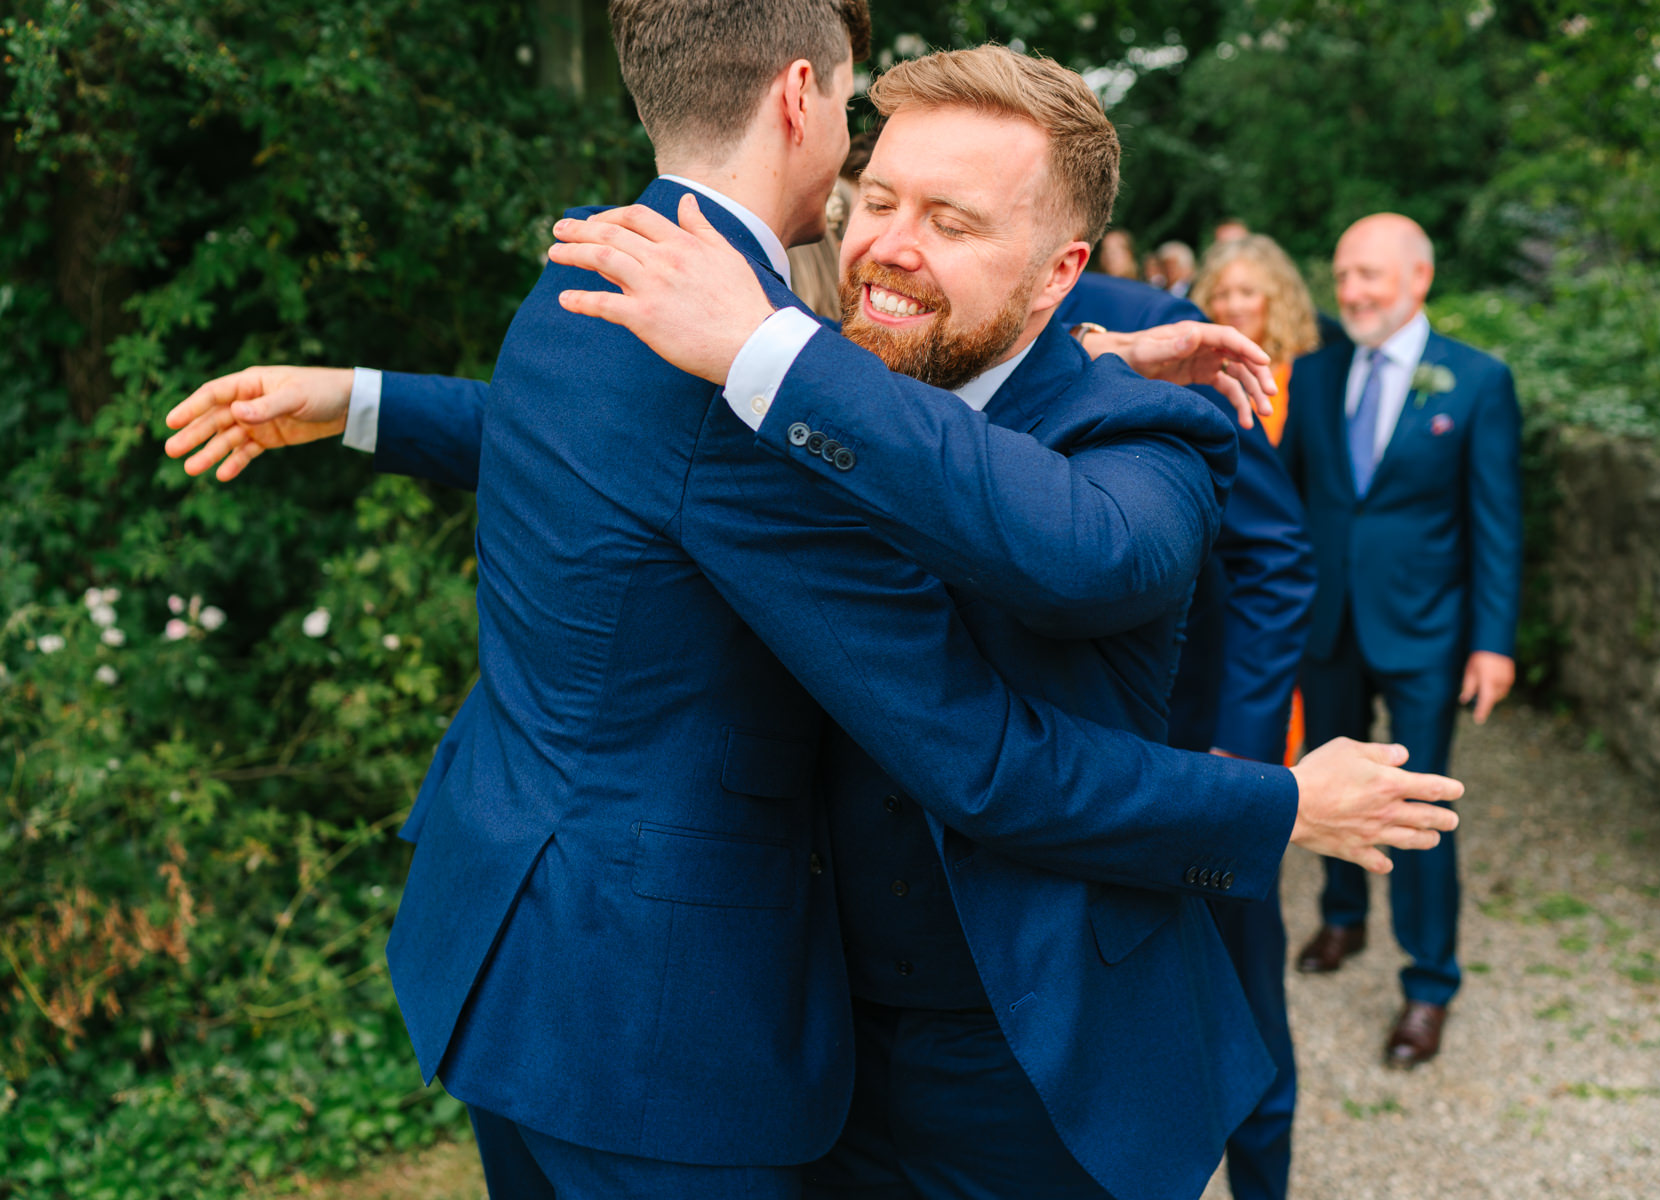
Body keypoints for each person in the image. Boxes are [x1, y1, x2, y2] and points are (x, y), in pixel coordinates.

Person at [166, 28, 1464, 1199]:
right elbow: (638, 454)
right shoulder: (792, 379)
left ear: (1061, 270)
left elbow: (1053, 624)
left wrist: (1279, 804)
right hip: (809, 1038)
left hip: (1029, 1058)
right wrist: (366, 401)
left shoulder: (1143, 435)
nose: (889, 244)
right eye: (877, 199)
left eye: (951, 221)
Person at [1058, 268, 1312, 1200]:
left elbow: (1275, 555)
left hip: (1190, 754)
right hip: (1042, 778)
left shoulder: (1158, 324)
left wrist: (1241, 754)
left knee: (1238, 1004)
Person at [1280, 213, 1523, 1069]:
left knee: (1420, 811)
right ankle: (1342, 916)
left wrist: (1492, 642)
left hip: (1427, 631)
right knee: (1331, 778)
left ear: (1419, 279)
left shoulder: (1476, 380)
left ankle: (1429, 984)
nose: (1351, 293)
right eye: (1343, 275)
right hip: (1327, 622)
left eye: (1370, 277)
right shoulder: (1312, 375)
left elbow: (1497, 523)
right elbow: (1294, 504)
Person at [1193, 233, 1322, 448]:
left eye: (1247, 292)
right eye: (1222, 295)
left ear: (1276, 298)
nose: (1234, 306)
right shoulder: (1198, 376)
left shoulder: (1306, 373)